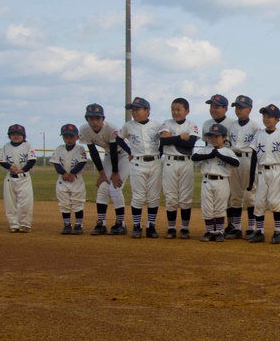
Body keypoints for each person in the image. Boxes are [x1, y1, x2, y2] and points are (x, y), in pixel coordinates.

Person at [79, 103, 130, 235]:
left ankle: (121, 224)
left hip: (124, 155)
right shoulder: (84, 130)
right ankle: (101, 223)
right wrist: (102, 174)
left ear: (103, 118)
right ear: (86, 119)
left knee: (115, 187)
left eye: (98, 118)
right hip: (108, 156)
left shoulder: (111, 128)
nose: (94, 121)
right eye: (91, 118)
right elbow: (93, 152)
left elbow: (114, 150)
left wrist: (115, 173)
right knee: (102, 188)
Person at [119, 96, 162, 238]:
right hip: (137, 163)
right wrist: (129, 151)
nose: (134, 112)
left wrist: (159, 155)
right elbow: (119, 139)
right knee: (138, 196)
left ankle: (151, 226)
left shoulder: (157, 126)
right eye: (133, 110)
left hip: (155, 162)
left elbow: (164, 142)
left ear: (147, 111)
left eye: (137, 109)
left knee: (153, 197)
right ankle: (137, 226)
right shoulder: (128, 126)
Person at [248, 104, 280, 244]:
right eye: (264, 116)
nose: (266, 119)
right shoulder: (258, 135)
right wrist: (250, 181)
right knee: (259, 202)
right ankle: (259, 232)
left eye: (269, 116)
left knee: (275, 202)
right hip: (261, 171)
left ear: (277, 119)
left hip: (277, 171)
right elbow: (254, 158)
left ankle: (278, 232)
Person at [159, 97, 199, 239]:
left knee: (185, 197)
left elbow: (190, 144)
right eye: (173, 110)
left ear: (187, 111)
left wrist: (173, 137)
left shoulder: (191, 125)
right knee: (170, 197)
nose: (175, 112)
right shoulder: (166, 123)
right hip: (169, 162)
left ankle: (184, 228)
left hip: (185, 162)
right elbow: (163, 141)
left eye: (178, 109)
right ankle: (171, 228)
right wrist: (181, 137)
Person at [192, 122, 239, 241]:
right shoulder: (206, 150)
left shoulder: (227, 151)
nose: (213, 139)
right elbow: (194, 158)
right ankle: (209, 231)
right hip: (207, 180)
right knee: (207, 207)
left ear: (224, 137)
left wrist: (218, 155)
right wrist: (209, 155)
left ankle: (218, 231)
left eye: (217, 136)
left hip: (222, 181)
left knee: (220, 206)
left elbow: (236, 163)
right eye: (211, 136)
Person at [226, 94, 262, 239]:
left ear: (249, 109)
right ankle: (237, 227)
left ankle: (251, 227)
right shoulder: (231, 126)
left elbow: (257, 148)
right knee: (235, 196)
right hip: (234, 159)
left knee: (249, 195)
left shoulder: (254, 127)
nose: (238, 110)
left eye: (242, 107)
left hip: (248, 160)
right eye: (237, 107)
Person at [0, 124, 36, 233]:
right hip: (10, 178)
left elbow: (32, 161)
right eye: (13, 134)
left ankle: (25, 224)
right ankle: (14, 224)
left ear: (24, 136)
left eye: (19, 134)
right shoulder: (6, 146)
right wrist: (9, 167)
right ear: (9, 136)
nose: (16, 136)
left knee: (25, 203)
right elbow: (1, 160)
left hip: (24, 177)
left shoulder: (28, 146)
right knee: (10, 203)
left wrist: (23, 170)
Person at [51, 123, 88, 234]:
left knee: (77, 202)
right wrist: (63, 173)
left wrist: (72, 173)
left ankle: (78, 225)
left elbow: (82, 163)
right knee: (64, 203)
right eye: (66, 136)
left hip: (76, 179)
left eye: (71, 136)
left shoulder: (80, 148)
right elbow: (56, 164)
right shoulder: (59, 149)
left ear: (77, 137)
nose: (68, 139)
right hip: (63, 180)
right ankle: (67, 225)